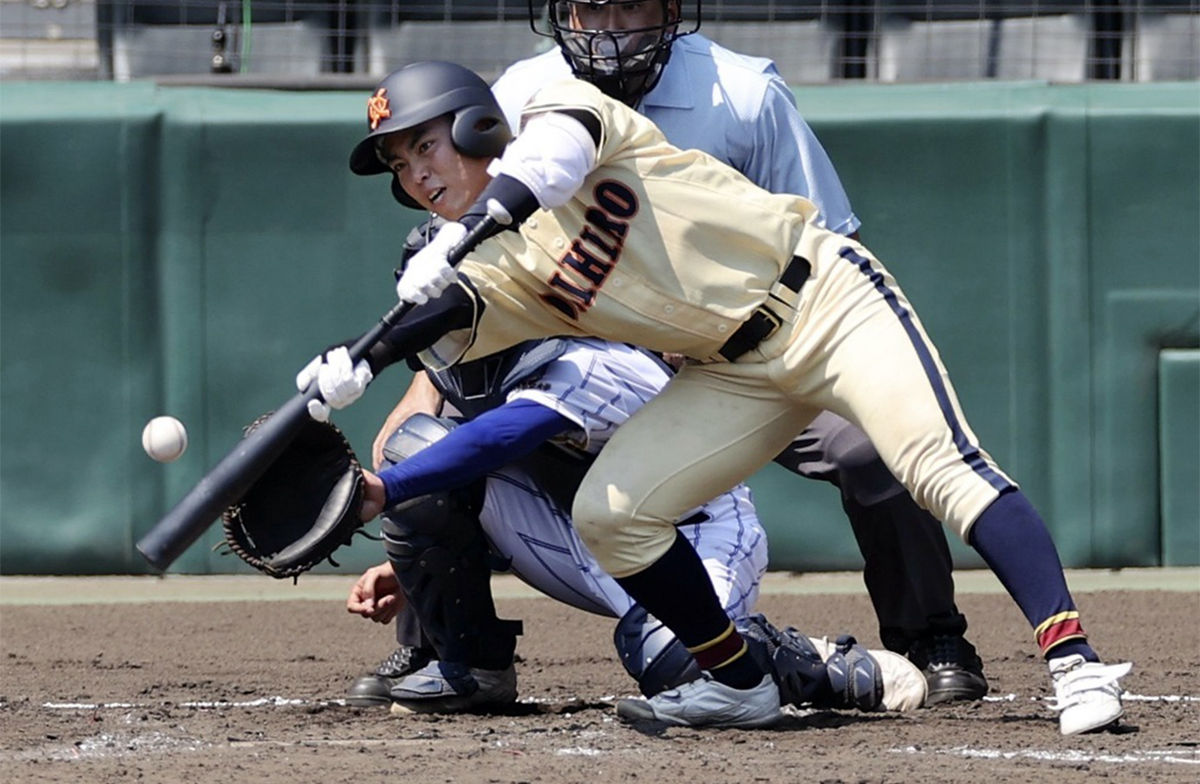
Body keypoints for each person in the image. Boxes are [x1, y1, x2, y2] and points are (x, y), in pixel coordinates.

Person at [308, 58, 1131, 734]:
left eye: (426, 147)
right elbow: (455, 316)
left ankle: (1075, 663)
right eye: (400, 164)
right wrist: (363, 356)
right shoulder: (504, 264)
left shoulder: (558, 109)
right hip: (731, 372)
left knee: (939, 468)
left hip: (820, 299)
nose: (416, 174)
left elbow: (550, 162)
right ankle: (740, 682)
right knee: (613, 514)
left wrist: (462, 232)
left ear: (475, 126)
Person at [394, 0, 989, 704]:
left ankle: (931, 639)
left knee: (867, 448)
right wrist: (421, 390)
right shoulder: (520, 96)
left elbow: (824, 240)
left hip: (749, 347)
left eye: (630, 5)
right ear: (561, 16)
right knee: (425, 439)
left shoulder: (743, 95)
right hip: (594, 354)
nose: (608, 27)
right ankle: (444, 647)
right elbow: (466, 267)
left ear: (669, 12)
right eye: (590, 9)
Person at [327, 326, 925, 715]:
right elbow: (447, 460)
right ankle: (475, 668)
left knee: (677, 664)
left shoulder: (582, 356)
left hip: (690, 536)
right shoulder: (473, 360)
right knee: (416, 448)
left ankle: (825, 666)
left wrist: (382, 491)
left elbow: (500, 438)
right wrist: (409, 557)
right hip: (576, 534)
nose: (445, 330)